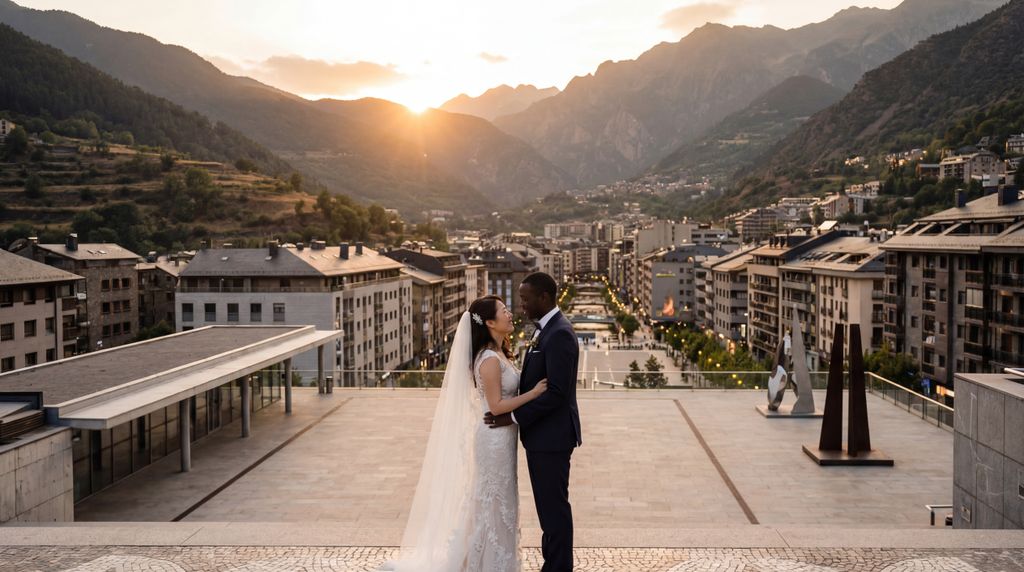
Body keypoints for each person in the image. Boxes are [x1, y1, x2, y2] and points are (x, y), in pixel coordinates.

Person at [383, 295, 546, 571]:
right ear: (490, 322)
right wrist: (533, 394)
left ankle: (490, 560)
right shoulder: (489, 359)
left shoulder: (499, 353)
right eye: (504, 311)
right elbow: (496, 406)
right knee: (493, 500)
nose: (510, 314)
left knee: (498, 500)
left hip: (503, 437)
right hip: (493, 438)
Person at [486, 272, 582, 572]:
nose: (522, 305)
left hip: (552, 438)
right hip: (543, 437)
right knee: (548, 509)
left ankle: (558, 567)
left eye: (526, 299)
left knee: (554, 509)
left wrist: (512, 416)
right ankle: (553, 564)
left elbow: (556, 393)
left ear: (544, 297)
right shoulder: (547, 330)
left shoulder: (559, 333)